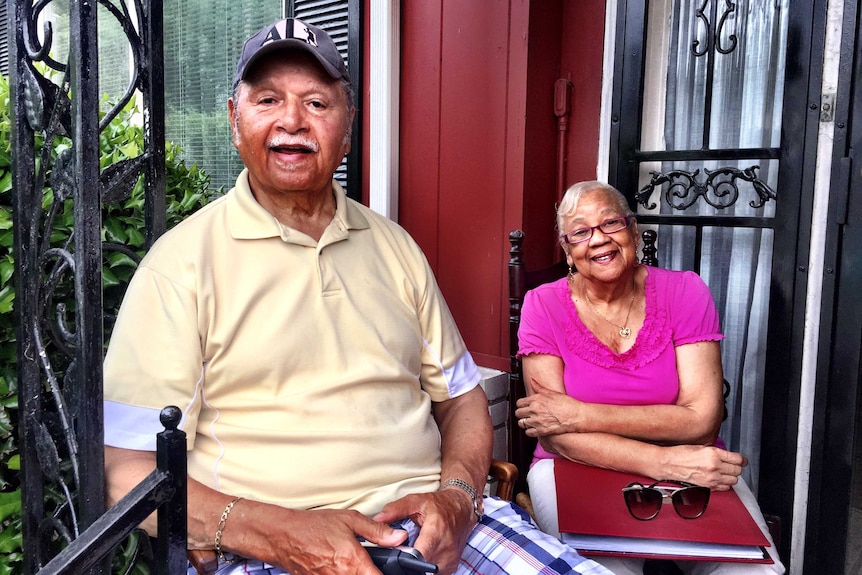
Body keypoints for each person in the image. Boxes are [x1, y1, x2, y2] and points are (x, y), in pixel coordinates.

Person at [101, 19, 614, 575]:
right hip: (273, 550)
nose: (292, 121)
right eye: (268, 99)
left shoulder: (396, 248)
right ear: (234, 120)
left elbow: (463, 399)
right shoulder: (179, 266)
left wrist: (460, 497)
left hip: (439, 529)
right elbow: (127, 470)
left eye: (317, 103)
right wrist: (272, 532)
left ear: (346, 130)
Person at [513, 181, 785, 575]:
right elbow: (555, 433)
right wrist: (665, 461)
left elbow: (702, 420)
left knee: (756, 571)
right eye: (581, 232)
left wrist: (580, 415)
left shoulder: (685, 292)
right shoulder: (543, 305)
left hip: (695, 467)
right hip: (576, 467)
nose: (598, 240)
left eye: (611, 223)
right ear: (567, 248)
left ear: (634, 231)